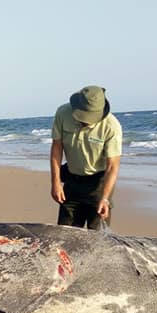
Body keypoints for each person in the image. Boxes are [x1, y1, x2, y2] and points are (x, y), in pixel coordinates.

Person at [50, 85, 122, 229]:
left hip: (99, 183)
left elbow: (112, 166)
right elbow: (57, 148)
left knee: (96, 236)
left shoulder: (111, 126)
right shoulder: (63, 113)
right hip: (72, 179)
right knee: (66, 232)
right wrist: (55, 183)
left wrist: (105, 198)